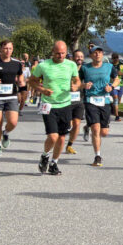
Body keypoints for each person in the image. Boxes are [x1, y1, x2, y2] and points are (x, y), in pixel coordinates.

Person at [29, 41, 81, 176]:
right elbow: (32, 81)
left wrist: (76, 86)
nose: (60, 55)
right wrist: (42, 89)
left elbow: (77, 80)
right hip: (49, 105)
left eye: (63, 53)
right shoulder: (43, 65)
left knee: (62, 138)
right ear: (53, 52)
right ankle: (45, 155)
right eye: (58, 53)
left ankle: (54, 163)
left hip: (65, 105)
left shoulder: (71, 65)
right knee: (53, 136)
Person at [80, 46, 119, 167]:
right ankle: (97, 156)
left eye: (100, 52)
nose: (97, 54)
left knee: (104, 132)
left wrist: (111, 87)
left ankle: (87, 126)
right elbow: (76, 82)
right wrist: (84, 85)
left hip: (105, 101)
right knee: (96, 129)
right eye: (95, 53)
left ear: (103, 55)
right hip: (90, 100)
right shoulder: (85, 68)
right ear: (91, 55)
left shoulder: (109, 67)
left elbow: (117, 79)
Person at [65, 50, 87, 155]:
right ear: (73, 58)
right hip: (66, 100)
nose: (80, 58)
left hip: (79, 100)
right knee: (68, 124)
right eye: (77, 56)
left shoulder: (85, 70)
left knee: (77, 124)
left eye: (81, 56)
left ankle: (69, 145)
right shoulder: (67, 68)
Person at [109, 53, 123, 121]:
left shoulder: (122, 65)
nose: (115, 59)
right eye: (114, 58)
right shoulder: (110, 65)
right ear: (112, 58)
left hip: (120, 84)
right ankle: (117, 116)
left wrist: (122, 73)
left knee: (119, 101)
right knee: (115, 98)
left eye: (116, 57)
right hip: (113, 84)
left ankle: (112, 106)